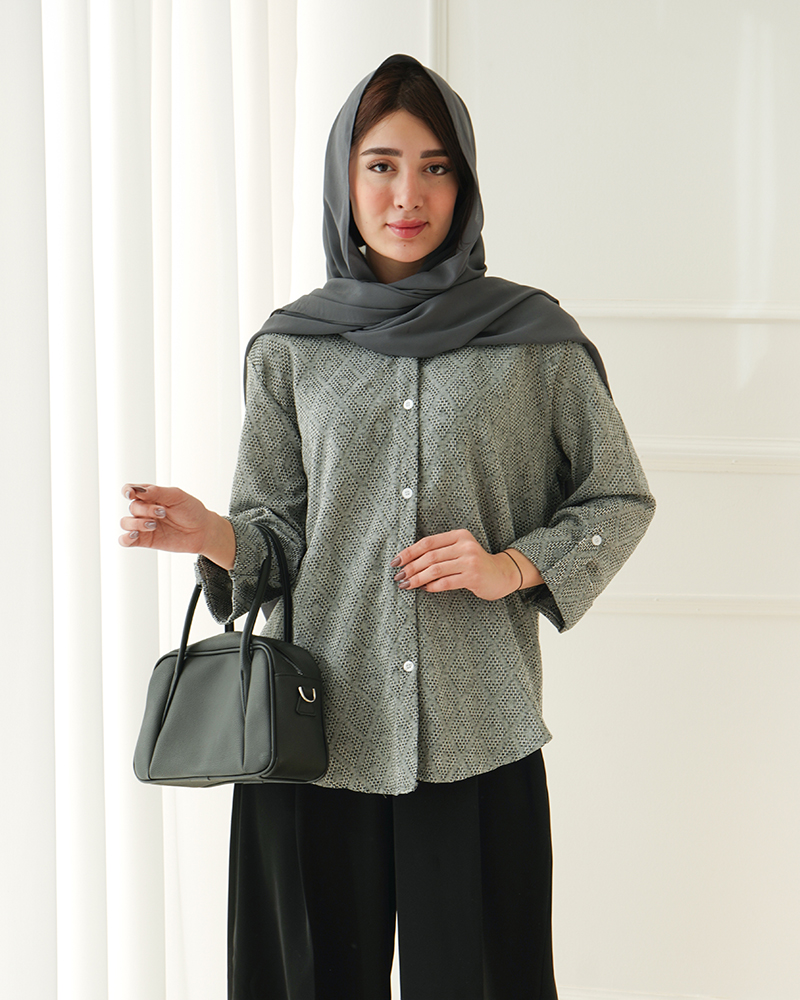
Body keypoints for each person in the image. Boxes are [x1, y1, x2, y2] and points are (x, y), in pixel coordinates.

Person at [120, 54, 655, 1000]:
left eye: (435, 167)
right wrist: (212, 533)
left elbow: (618, 497)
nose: (408, 195)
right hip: (309, 739)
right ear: (344, 177)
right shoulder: (291, 348)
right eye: (381, 165)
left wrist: (513, 566)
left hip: (477, 733)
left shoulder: (534, 342)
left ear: (466, 182)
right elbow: (277, 539)